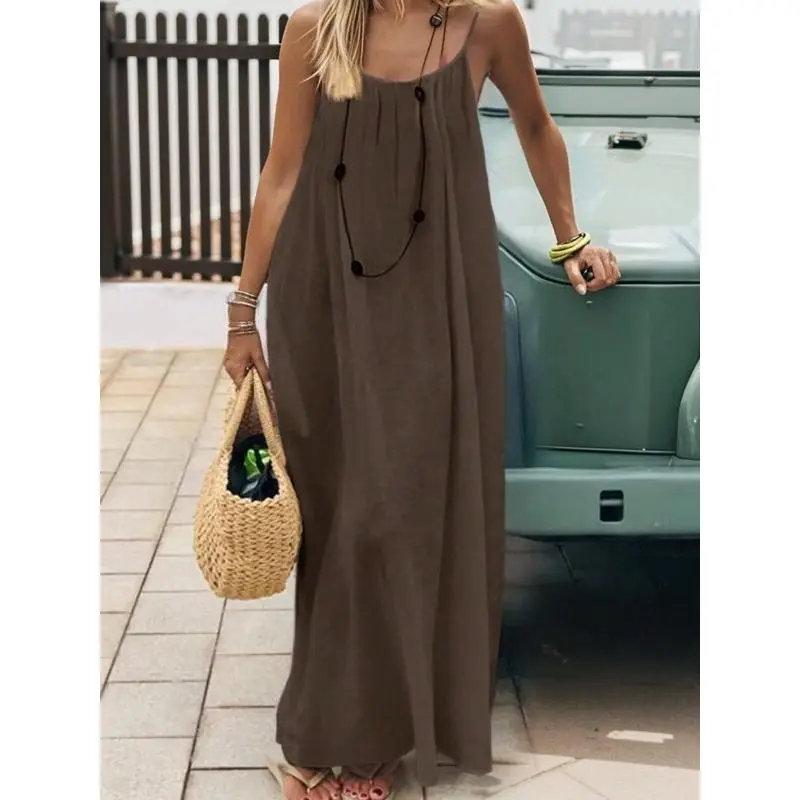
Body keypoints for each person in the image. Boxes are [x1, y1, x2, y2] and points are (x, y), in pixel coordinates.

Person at [223, 1, 620, 798]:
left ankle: (380, 733)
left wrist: (571, 237)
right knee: (338, 515)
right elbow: (283, 170)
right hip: (321, 297)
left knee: (401, 507)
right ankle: (322, 737)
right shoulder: (315, 28)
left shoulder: (488, 23)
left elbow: (536, 126)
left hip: (435, 296)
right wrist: (242, 312)